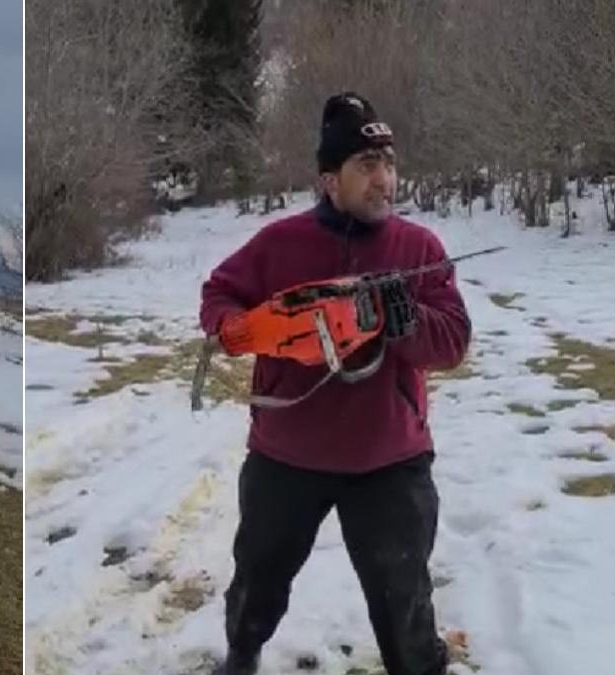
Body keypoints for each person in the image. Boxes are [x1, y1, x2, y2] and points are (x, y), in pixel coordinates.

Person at [199, 93, 470, 675]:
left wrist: (407, 322)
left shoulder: (418, 249)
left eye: (389, 163)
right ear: (329, 179)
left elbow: (452, 343)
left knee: (405, 604)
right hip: (286, 454)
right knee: (257, 579)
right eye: (366, 166)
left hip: (390, 459)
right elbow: (219, 293)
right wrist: (232, 327)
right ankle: (240, 659)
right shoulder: (279, 245)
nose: (384, 180)